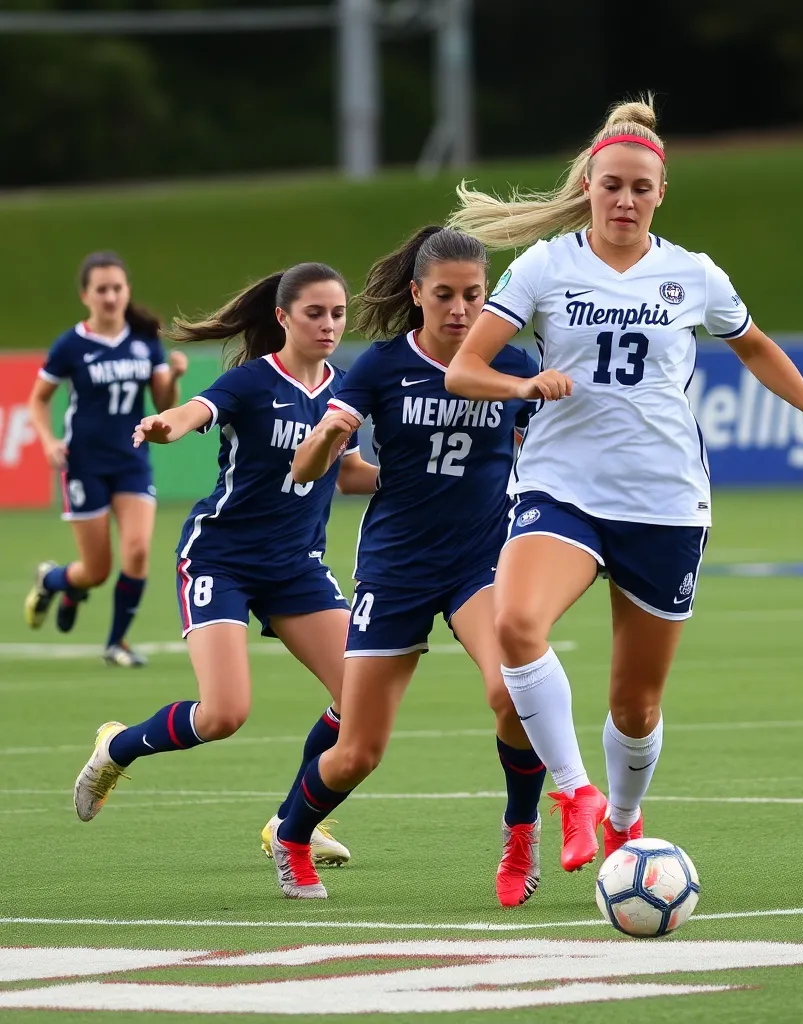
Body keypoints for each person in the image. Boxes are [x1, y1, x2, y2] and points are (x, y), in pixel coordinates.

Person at [442, 97, 803, 874]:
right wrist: (523, 389)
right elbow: (463, 369)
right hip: (561, 487)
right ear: (589, 185)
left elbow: (754, 346)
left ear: (661, 193)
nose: (624, 200)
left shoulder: (693, 275)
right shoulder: (545, 265)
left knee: (636, 705)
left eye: (640, 188)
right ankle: (573, 793)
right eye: (611, 184)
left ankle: (621, 815)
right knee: (516, 623)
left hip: (665, 502)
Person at [264, 226, 548, 906]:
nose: (459, 310)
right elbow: (303, 472)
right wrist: (327, 438)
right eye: (444, 295)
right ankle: (293, 836)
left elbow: (554, 461)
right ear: (417, 294)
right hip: (396, 568)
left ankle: (520, 834)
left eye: (474, 296)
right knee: (358, 752)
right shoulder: (382, 366)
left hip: (480, 560)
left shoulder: (512, 366)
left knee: (514, 692)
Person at [72, 263, 376, 877]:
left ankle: (292, 824)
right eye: (314, 313)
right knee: (224, 715)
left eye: (337, 313)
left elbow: (343, 471)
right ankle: (118, 746)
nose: (327, 324)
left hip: (296, 567)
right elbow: (194, 411)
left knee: (362, 704)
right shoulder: (251, 382)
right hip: (221, 559)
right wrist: (166, 425)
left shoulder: (347, 387)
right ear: (283, 317)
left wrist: (408, 479)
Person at [25, 251, 188, 666]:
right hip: (84, 463)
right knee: (96, 569)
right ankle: (55, 579)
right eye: (102, 289)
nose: (111, 296)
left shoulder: (143, 339)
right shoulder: (71, 344)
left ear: (127, 291)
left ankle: (116, 643)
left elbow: (163, 403)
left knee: (137, 551)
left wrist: (175, 378)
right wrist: (47, 441)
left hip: (132, 459)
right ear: (86, 296)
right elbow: (38, 400)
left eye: (117, 288)